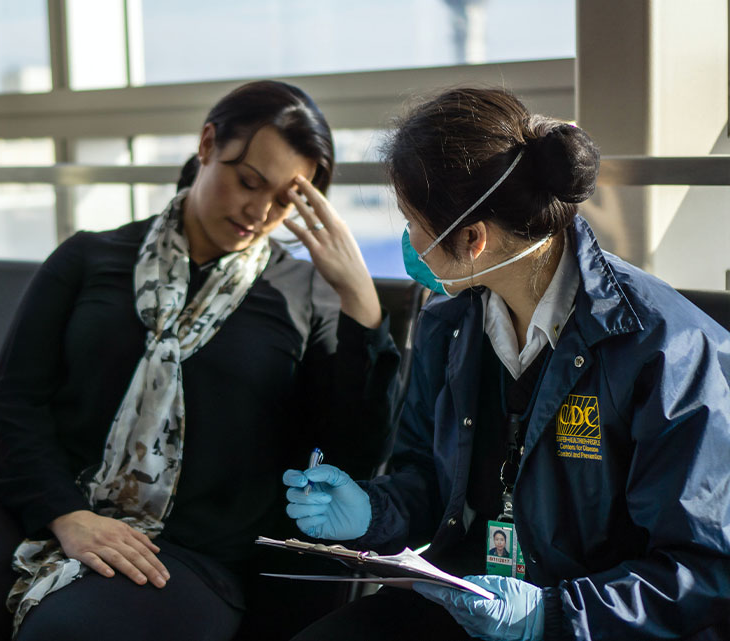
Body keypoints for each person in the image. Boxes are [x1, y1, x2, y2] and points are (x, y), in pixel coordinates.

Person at [0, 80, 402, 641]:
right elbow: (10, 403)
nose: (259, 211)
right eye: (248, 181)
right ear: (206, 145)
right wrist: (67, 515)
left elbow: (347, 458)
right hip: (26, 504)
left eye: (285, 201)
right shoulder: (89, 257)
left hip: (183, 549)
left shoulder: (308, 297)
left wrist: (362, 305)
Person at [282, 87, 730, 640]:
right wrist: (369, 510)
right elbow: (425, 477)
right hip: (472, 602)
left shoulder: (666, 350)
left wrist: (550, 616)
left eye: (411, 219)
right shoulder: (449, 324)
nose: (407, 239)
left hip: (592, 623)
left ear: (471, 239)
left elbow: (704, 570)